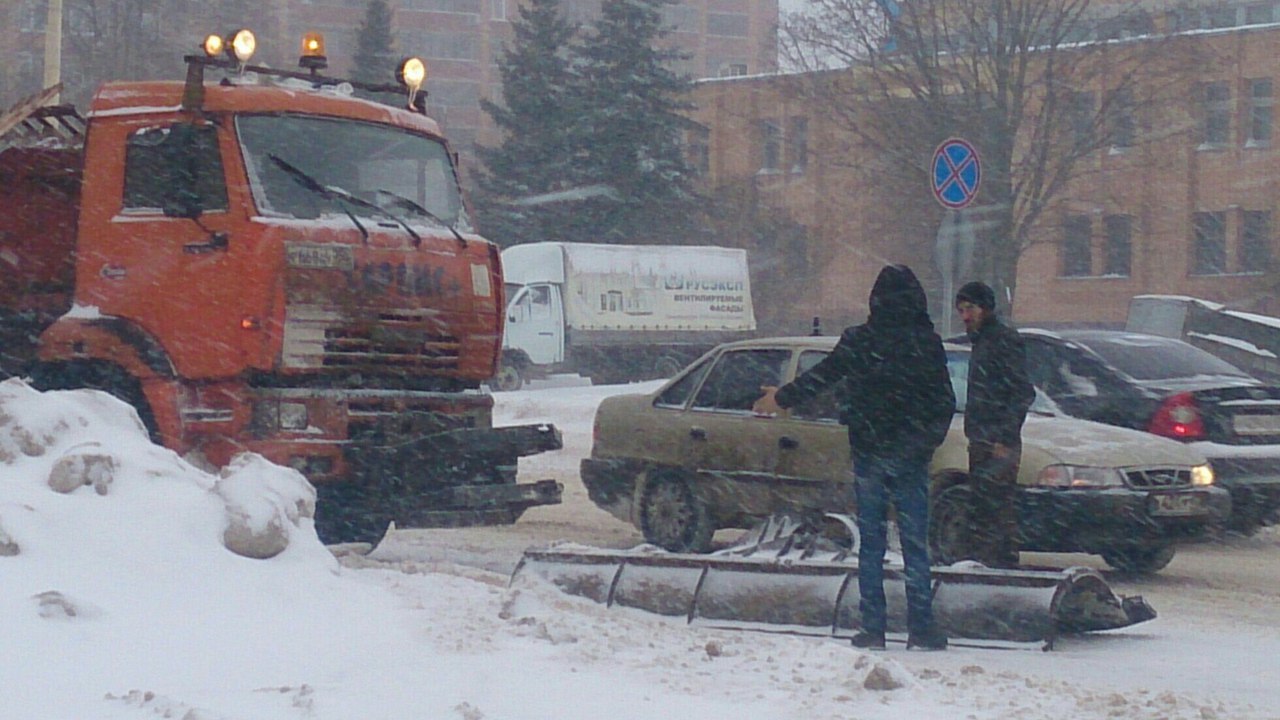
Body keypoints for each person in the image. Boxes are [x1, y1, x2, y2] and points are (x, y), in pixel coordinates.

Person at [754, 265, 955, 651]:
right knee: (915, 543)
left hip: (870, 451)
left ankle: (874, 627)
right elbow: (944, 402)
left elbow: (824, 376)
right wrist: (924, 442)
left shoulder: (861, 341)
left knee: (872, 543)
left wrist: (780, 398)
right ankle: (922, 626)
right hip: (911, 455)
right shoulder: (926, 344)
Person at [954, 280, 1035, 569]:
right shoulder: (983, 340)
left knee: (995, 509)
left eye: (970, 308)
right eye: (961, 310)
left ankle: (1000, 567)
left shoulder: (1002, 340)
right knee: (985, 507)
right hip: (982, 437)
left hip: (997, 441)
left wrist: (1004, 436)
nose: (965, 316)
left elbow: (1022, 392)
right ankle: (989, 565)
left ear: (986, 308)